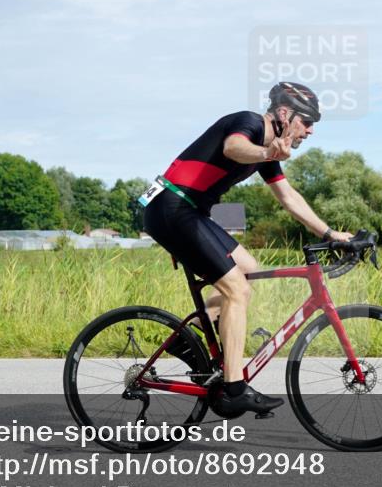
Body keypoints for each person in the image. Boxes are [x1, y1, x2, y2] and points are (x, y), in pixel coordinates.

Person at [141, 82, 352, 414]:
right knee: (236, 291)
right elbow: (233, 147)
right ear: (285, 113)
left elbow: (288, 197)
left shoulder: (268, 150)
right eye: (307, 121)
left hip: (185, 212)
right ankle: (234, 387)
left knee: (249, 270)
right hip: (173, 208)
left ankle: (190, 340)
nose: (310, 131)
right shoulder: (250, 123)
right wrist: (267, 152)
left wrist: (330, 234)